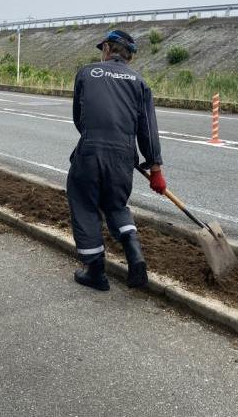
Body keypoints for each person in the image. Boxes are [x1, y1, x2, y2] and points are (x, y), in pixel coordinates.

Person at [66, 30, 166, 291]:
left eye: (103, 49)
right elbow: (148, 128)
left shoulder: (87, 73)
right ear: (130, 57)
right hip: (123, 157)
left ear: (108, 49)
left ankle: (96, 272)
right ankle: (134, 252)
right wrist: (155, 168)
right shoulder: (139, 82)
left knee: (84, 201)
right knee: (116, 203)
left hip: (90, 151)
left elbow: (79, 116)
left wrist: (97, 140)